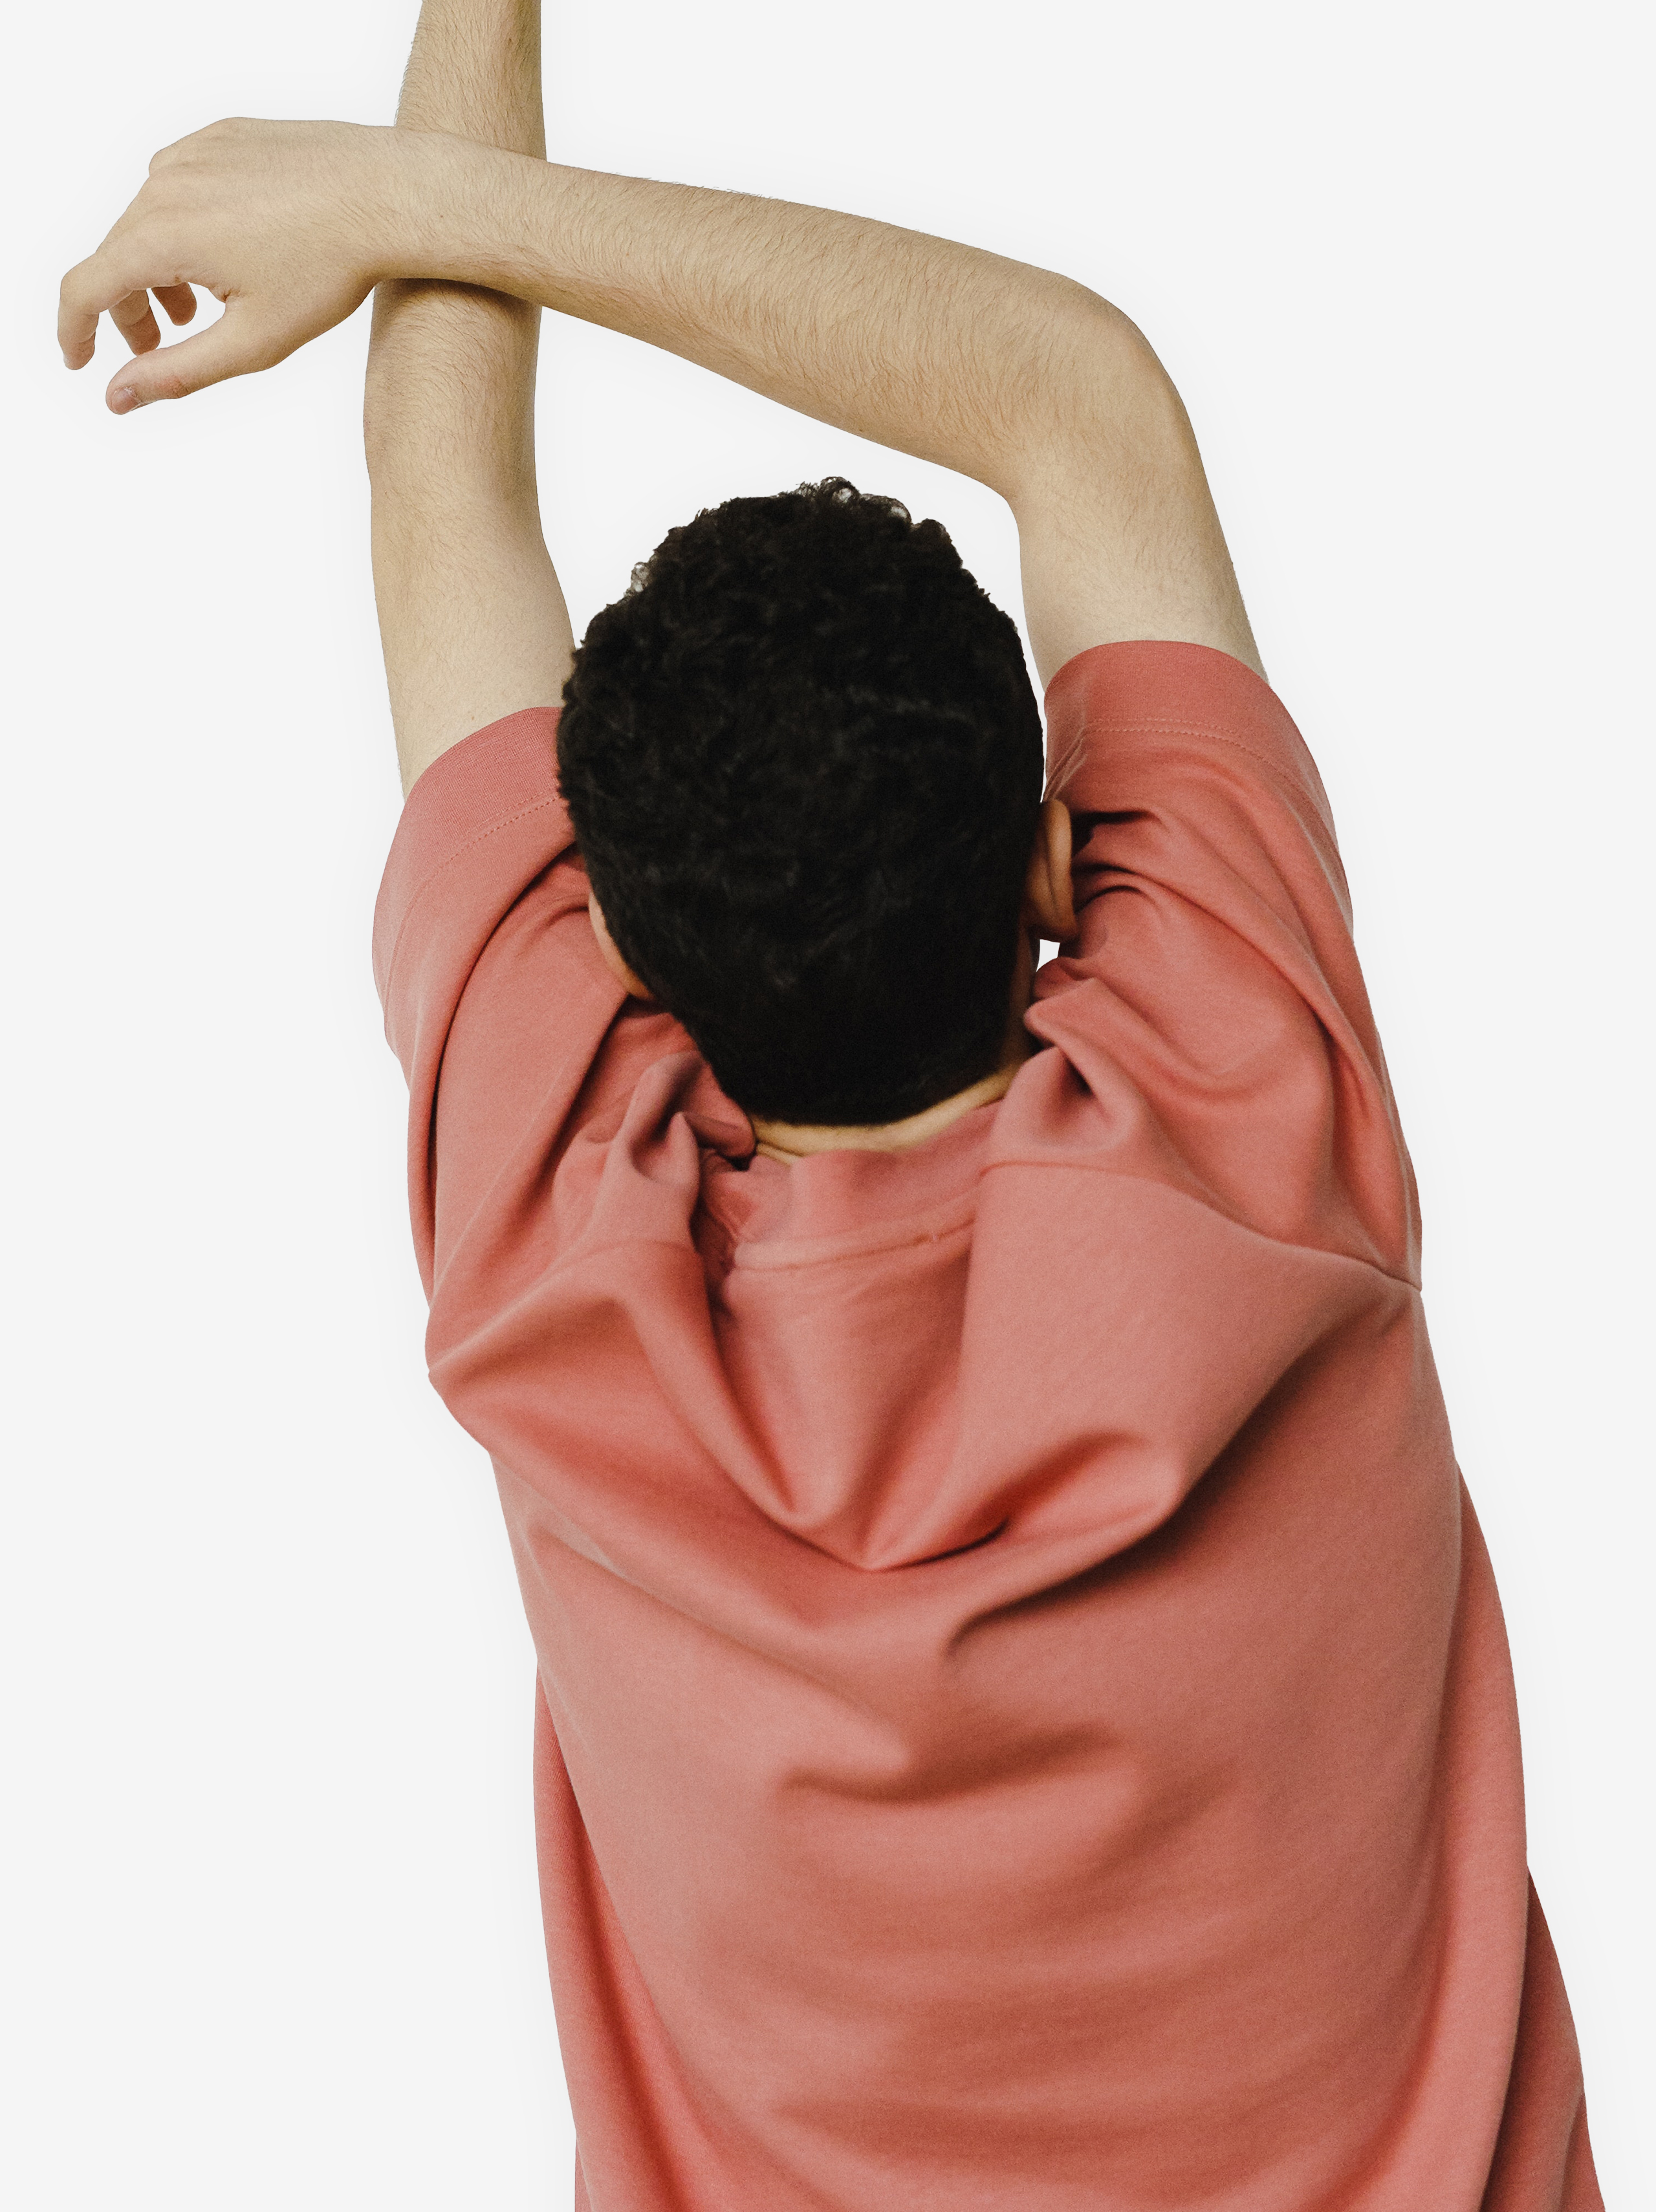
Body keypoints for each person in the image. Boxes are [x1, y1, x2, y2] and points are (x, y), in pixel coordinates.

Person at [58, 3, 1602, 2206]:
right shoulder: (1257, 1099)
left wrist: (419, 141)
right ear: (1060, 865)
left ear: (623, 958)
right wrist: (404, 193)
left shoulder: (554, 1249)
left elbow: (442, 494)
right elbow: (1069, 387)